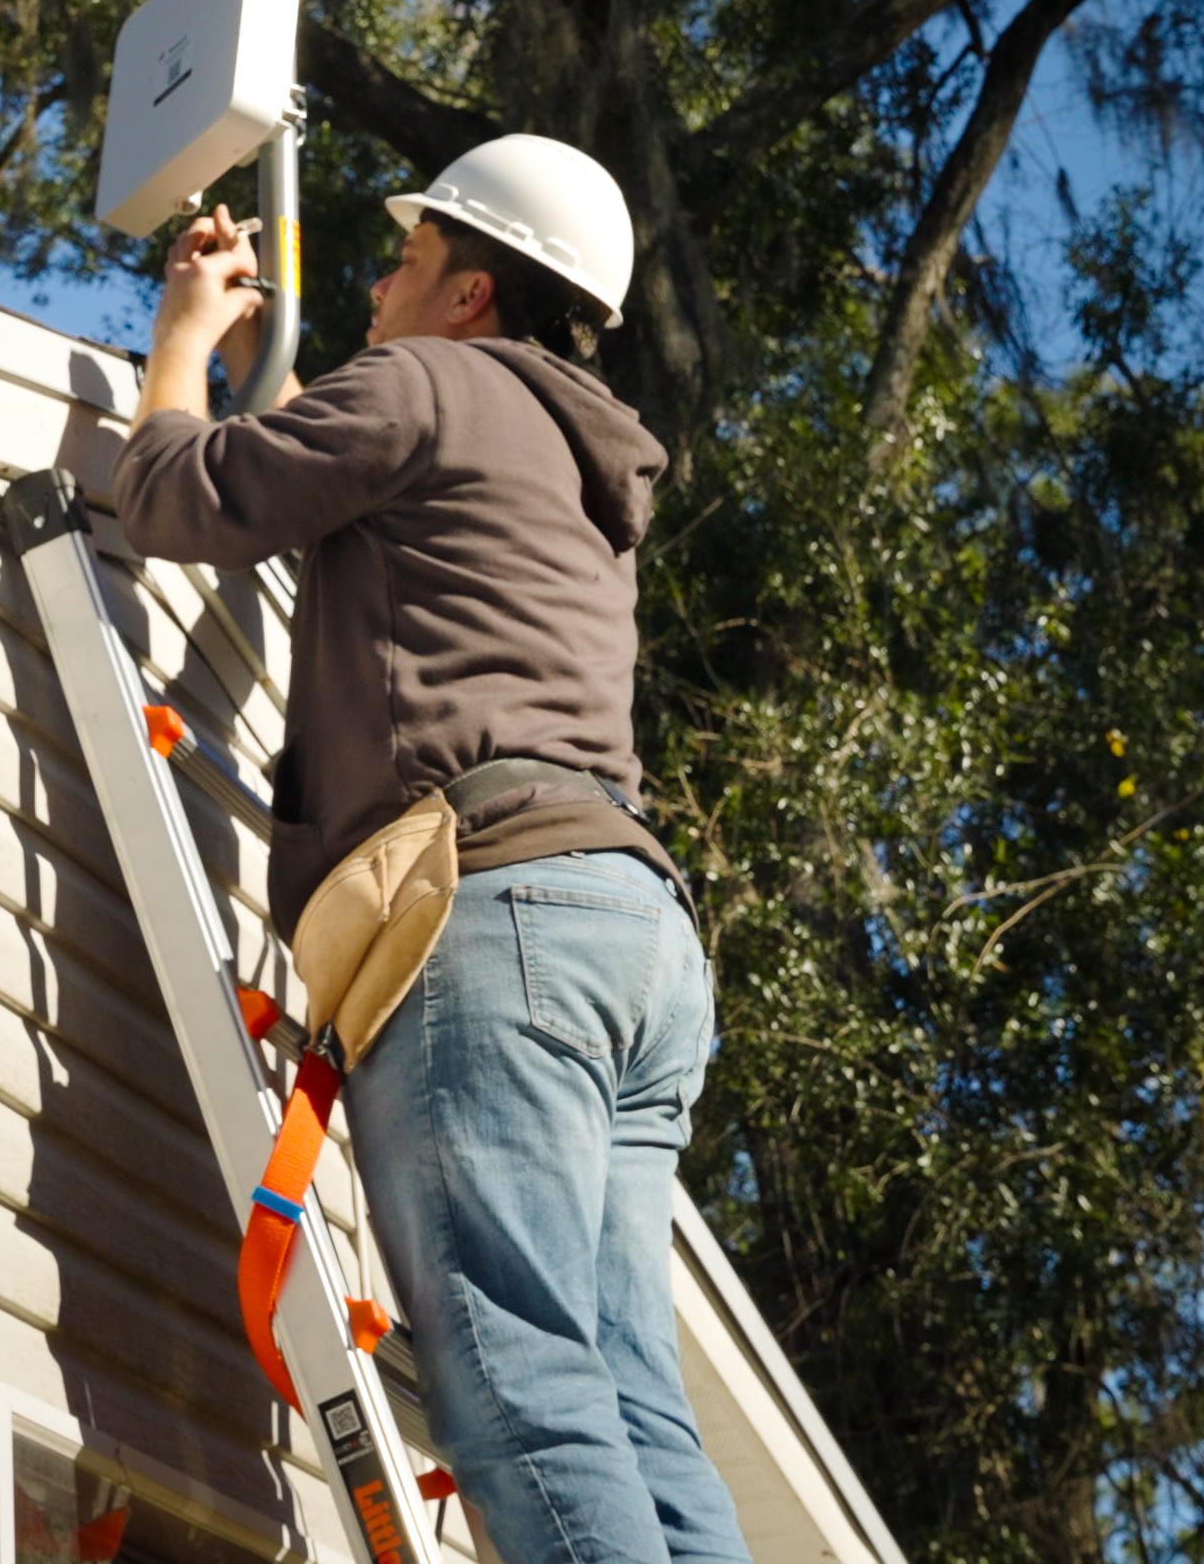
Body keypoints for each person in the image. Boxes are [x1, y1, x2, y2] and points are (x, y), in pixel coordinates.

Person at [111, 135, 749, 1564]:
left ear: (471, 292)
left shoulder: (426, 385)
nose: (376, 290)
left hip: (496, 914)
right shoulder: (583, 477)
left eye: (404, 262)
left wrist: (185, 339)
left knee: (518, 1376)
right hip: (635, 938)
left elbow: (172, 497)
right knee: (634, 1399)